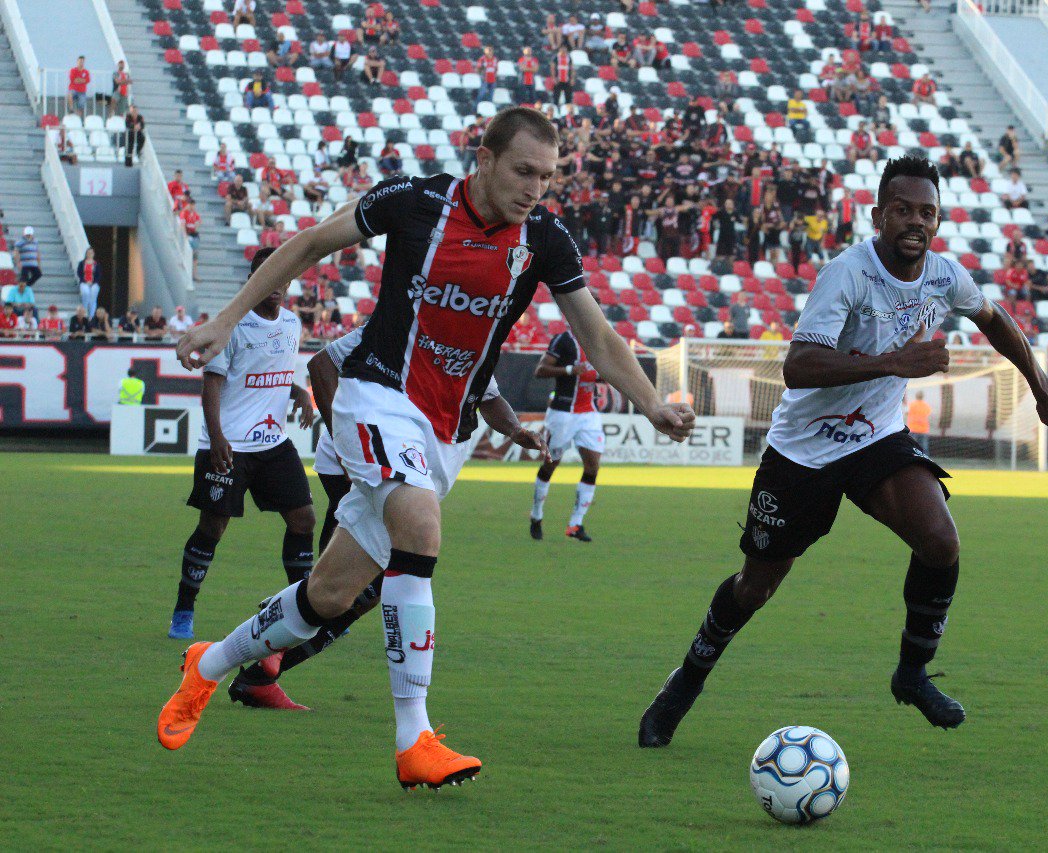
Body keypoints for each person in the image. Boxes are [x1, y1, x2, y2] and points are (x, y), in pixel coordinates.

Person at [160, 107, 696, 790]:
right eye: (524, 170)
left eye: (548, 176)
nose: (536, 187)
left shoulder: (544, 238)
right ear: (484, 158)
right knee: (420, 525)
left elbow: (596, 337)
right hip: (377, 395)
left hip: (448, 431)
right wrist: (226, 317)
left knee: (328, 593)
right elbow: (307, 244)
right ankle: (414, 736)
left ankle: (206, 664)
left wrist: (651, 403)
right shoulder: (414, 201)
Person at [637, 156, 1048, 747]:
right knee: (756, 586)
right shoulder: (846, 274)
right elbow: (798, 367)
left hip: (876, 441)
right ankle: (684, 684)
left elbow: (996, 322)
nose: (915, 222)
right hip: (802, 454)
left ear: (938, 220)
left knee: (941, 541)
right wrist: (898, 361)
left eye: (927, 212)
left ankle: (912, 673)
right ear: (878, 215)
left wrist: (1041, 388)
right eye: (902, 210)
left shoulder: (946, 277)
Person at [228, 325, 548, 709]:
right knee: (360, 585)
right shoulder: (399, 319)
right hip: (367, 461)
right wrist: (347, 444)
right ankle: (267, 650)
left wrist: (515, 431)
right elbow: (321, 364)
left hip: (400, 469)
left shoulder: (468, 338)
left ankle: (268, 651)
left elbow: (489, 396)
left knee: (354, 586)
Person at [167, 248, 315, 641]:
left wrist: (299, 392)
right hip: (230, 444)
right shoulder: (230, 325)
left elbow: (271, 372)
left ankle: (305, 612)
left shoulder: (291, 323)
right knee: (213, 528)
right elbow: (212, 384)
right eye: (271, 279)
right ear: (255, 279)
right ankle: (184, 608)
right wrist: (216, 438)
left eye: (285, 279)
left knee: (303, 520)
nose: (279, 287)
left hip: (273, 444)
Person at [529, 329, 606, 542]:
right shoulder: (564, 340)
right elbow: (540, 370)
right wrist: (571, 369)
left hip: (588, 413)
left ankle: (575, 524)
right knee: (551, 463)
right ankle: (536, 514)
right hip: (563, 413)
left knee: (593, 466)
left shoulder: (600, 338)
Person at [76, 248, 101, 315]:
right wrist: (85, 281)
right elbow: (79, 273)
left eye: (91, 253)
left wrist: (93, 282)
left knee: (93, 298)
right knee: (86, 293)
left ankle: (91, 315)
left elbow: (98, 274)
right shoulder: (82, 263)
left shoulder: (96, 264)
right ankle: (84, 311)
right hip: (84, 282)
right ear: (86, 254)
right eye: (88, 253)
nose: (90, 254)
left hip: (94, 283)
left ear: (93, 254)